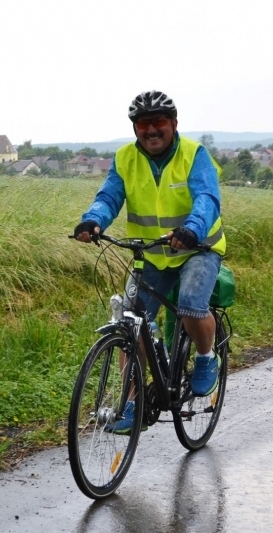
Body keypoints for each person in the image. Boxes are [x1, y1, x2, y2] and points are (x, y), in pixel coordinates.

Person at [73, 90, 226, 434]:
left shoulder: (194, 155)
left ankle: (205, 357)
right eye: (143, 124)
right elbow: (109, 195)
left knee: (189, 306)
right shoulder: (126, 158)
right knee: (132, 322)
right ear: (135, 128)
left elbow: (207, 197)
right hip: (153, 255)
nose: (151, 130)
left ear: (173, 124)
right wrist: (93, 220)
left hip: (197, 248)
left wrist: (192, 228)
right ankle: (130, 404)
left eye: (158, 122)